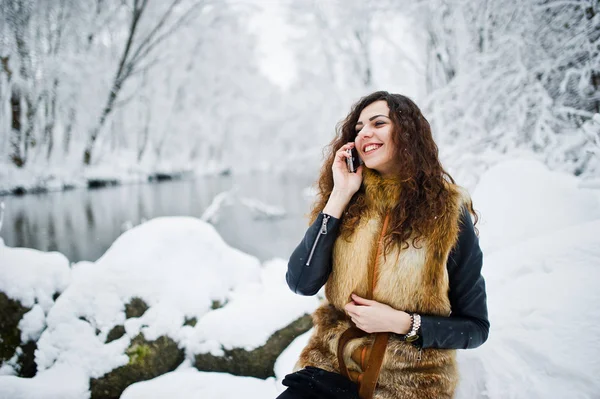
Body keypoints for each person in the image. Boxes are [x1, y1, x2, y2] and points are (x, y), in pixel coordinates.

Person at [278, 91, 489, 399]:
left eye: (378, 123)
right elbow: (300, 282)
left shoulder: (447, 211)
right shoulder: (347, 201)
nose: (365, 133)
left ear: (407, 131)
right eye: (359, 128)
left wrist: (403, 323)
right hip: (331, 367)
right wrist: (339, 196)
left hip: (410, 382)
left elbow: (475, 328)